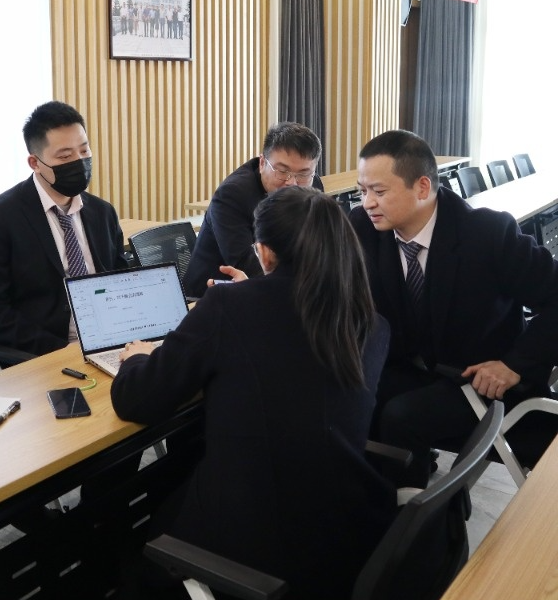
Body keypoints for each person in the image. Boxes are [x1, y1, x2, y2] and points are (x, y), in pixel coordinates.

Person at [112, 187, 396, 599]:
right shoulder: (371, 321)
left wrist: (137, 357)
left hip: (259, 541)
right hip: (347, 527)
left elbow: (137, 399)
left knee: (142, 535)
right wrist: (251, 293)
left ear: (263, 252)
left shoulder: (228, 306)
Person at [350, 129, 558, 488]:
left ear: (422, 187)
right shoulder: (362, 229)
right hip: (413, 366)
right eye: (362, 191)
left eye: (378, 192)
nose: (367, 203)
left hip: (481, 380)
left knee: (402, 417)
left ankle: (422, 518)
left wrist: (513, 364)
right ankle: (377, 506)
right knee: (348, 397)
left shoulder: (488, 233)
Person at [0, 101, 128, 356]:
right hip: (48, 351)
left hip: (113, 341)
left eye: (84, 150)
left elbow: (122, 280)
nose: (79, 162)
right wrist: (62, 350)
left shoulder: (102, 212)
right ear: (35, 162)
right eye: (65, 156)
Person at [183, 121, 324, 298]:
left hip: (279, 289)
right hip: (211, 295)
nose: (292, 182)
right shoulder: (232, 196)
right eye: (282, 171)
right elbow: (246, 264)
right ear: (262, 163)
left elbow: (319, 248)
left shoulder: (312, 188)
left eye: (303, 174)